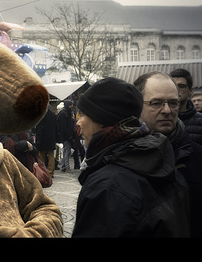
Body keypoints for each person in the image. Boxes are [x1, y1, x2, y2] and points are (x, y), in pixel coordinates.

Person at [73, 77, 190, 237]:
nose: (78, 122)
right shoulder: (163, 163)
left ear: (101, 121)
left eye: (82, 114)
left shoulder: (106, 187)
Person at [134, 71, 202, 237]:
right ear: (137, 106)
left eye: (173, 103)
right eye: (156, 103)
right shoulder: (121, 157)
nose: (167, 110)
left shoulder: (198, 157)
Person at [169, 68, 202, 145]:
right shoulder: (160, 117)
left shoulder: (200, 121)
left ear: (190, 90)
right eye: (173, 86)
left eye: (181, 86)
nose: (176, 90)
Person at [35, 104, 57, 177]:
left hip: (43, 139)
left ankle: (43, 172)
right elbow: (56, 127)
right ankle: (51, 172)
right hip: (51, 138)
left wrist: (38, 140)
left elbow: (40, 129)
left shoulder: (41, 115)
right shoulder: (53, 114)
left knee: (42, 156)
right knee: (51, 156)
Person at [57, 100, 75, 173]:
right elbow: (64, 126)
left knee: (65, 151)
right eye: (71, 105)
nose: (72, 106)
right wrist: (69, 136)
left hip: (65, 135)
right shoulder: (65, 113)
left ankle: (63, 166)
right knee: (67, 151)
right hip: (66, 135)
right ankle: (67, 167)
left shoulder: (65, 113)